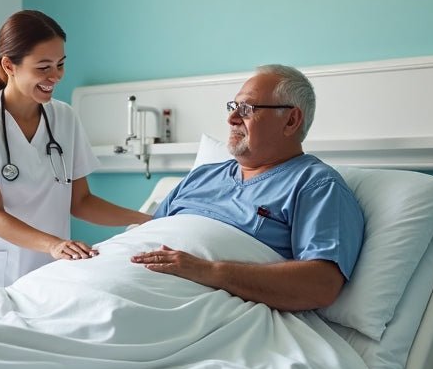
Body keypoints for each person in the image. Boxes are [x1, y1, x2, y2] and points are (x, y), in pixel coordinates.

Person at [0, 9, 151, 288]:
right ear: (9, 66)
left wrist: (146, 219)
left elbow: (81, 202)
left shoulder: (64, 118)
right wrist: (54, 245)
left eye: (60, 64)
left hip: (44, 265)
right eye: (43, 67)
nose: (55, 76)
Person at [130, 65, 364, 313]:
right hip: (124, 280)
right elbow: (151, 237)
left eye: (247, 109)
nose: (231, 119)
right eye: (233, 107)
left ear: (291, 120)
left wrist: (208, 270)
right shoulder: (202, 176)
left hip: (190, 306)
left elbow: (320, 285)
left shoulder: (315, 185)